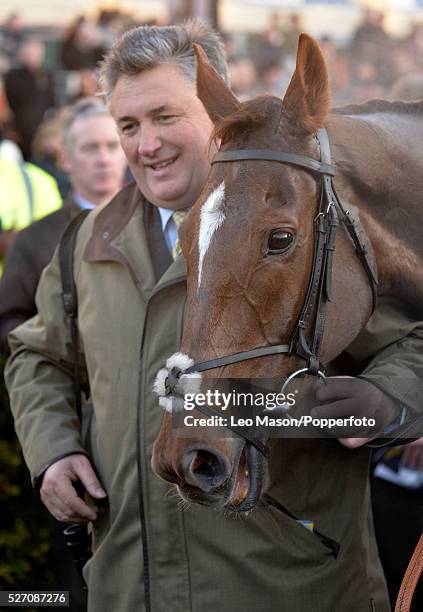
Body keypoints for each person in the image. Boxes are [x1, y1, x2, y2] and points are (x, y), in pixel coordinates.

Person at [4, 21, 423, 612]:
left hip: (287, 587)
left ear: (220, 113)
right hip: (127, 586)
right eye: (129, 125)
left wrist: (390, 396)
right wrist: (53, 450)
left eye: (165, 116)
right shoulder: (88, 239)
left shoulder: (307, 230)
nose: (145, 145)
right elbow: (38, 354)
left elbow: (416, 336)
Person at [0, 97, 127, 355]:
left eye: (113, 146)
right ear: (66, 158)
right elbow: (8, 325)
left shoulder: (159, 225)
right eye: (90, 148)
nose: (103, 159)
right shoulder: (34, 240)